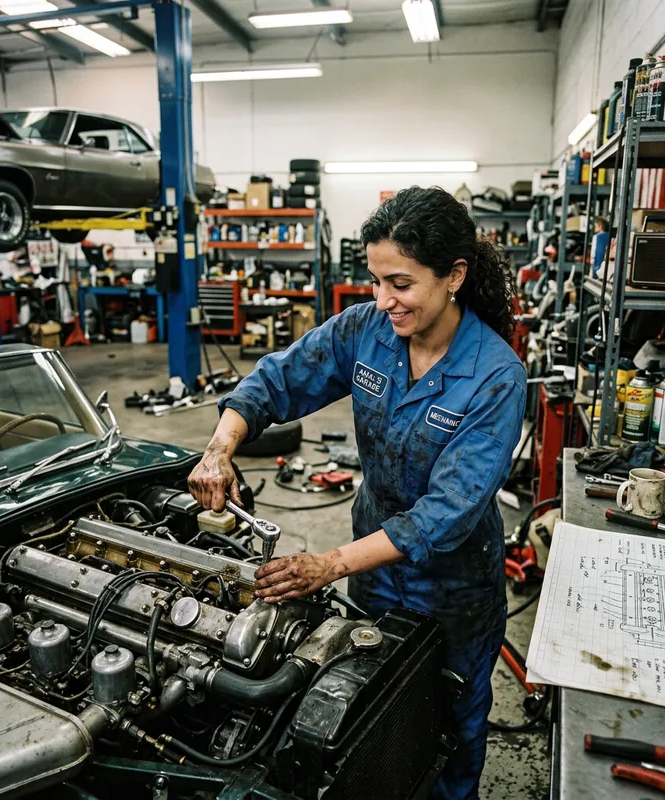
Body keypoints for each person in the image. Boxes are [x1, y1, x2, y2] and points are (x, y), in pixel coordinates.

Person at [188, 186, 527, 799]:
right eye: (374, 281)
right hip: (375, 564)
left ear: (454, 275)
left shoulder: (496, 376)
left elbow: (447, 514)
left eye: (399, 283)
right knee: (375, 706)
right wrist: (221, 447)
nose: (383, 300)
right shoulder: (366, 330)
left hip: (455, 585)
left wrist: (328, 565)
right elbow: (278, 378)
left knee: (452, 724)